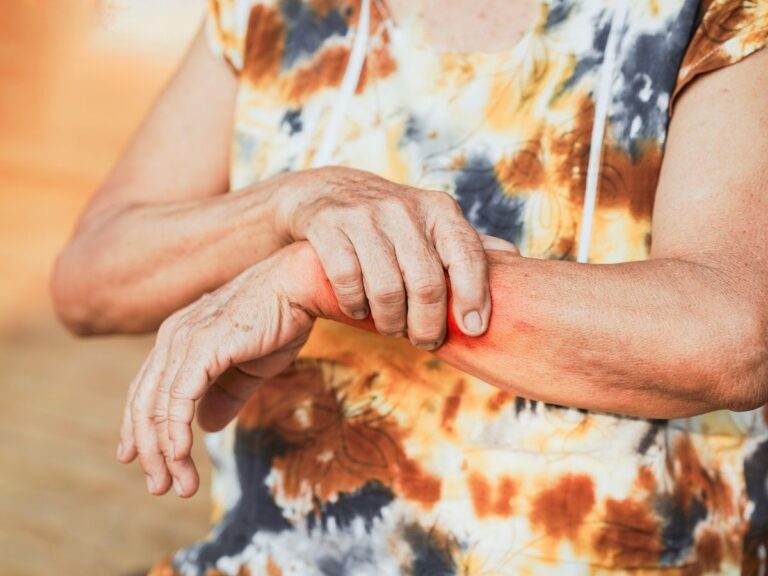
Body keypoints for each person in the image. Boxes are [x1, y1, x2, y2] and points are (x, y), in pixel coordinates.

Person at [52, 0, 768, 573]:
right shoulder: (266, 11)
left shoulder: (719, 14)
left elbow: (732, 337)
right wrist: (291, 204)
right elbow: (89, 278)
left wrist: (322, 275)